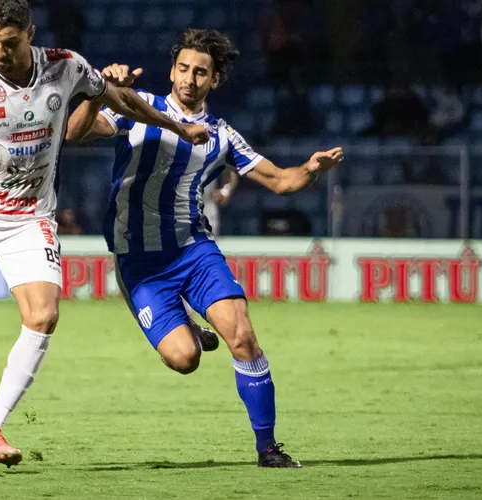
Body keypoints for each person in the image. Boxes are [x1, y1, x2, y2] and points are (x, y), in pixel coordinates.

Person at [0, 0, 209, 469]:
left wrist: (176, 125)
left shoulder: (65, 66)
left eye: (9, 42)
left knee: (42, 316)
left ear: (29, 34)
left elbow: (118, 98)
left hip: (31, 219)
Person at [66, 28, 343, 468]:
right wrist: (101, 92)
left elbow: (281, 180)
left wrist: (311, 168)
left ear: (214, 80)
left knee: (242, 336)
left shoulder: (223, 135)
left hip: (193, 250)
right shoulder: (138, 107)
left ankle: (268, 448)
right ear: (171, 70)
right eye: (183, 69)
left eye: (201, 72)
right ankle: (191, 331)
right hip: (138, 261)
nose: (190, 79)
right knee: (184, 359)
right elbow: (74, 133)